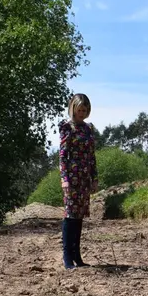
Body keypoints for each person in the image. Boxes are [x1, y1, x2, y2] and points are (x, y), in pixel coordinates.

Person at [58, 93, 98, 270]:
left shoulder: (88, 129)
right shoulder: (67, 127)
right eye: (79, 109)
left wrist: (94, 178)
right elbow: (62, 156)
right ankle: (67, 256)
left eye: (84, 110)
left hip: (84, 177)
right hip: (72, 176)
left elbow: (92, 156)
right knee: (70, 215)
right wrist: (64, 179)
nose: (81, 113)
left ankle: (77, 256)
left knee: (79, 216)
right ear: (72, 108)